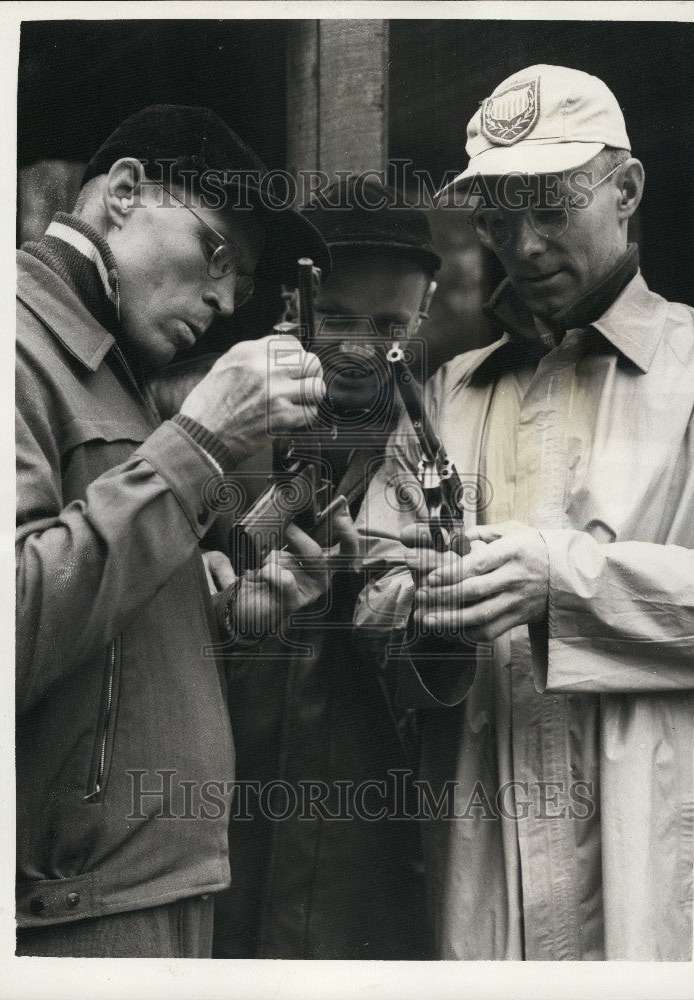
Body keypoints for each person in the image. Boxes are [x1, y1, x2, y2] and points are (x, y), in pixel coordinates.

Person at [355, 65, 694, 961]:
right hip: (484, 869)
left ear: (626, 191)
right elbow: (371, 594)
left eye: (549, 207)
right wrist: (424, 613)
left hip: (664, 863)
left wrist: (563, 579)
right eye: (498, 216)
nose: (524, 245)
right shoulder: (443, 397)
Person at [15, 104, 355, 958]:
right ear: (124, 193)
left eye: (240, 284)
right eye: (215, 254)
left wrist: (232, 618)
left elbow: (101, 645)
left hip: (149, 883)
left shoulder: (113, 366)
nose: (224, 299)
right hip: (77, 905)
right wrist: (199, 440)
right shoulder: (8, 342)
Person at [190, 178, 442, 958]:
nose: (363, 350)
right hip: (218, 839)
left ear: (423, 317)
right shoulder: (212, 437)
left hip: (363, 863)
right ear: (293, 310)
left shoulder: (438, 454)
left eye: (390, 325)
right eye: (336, 320)